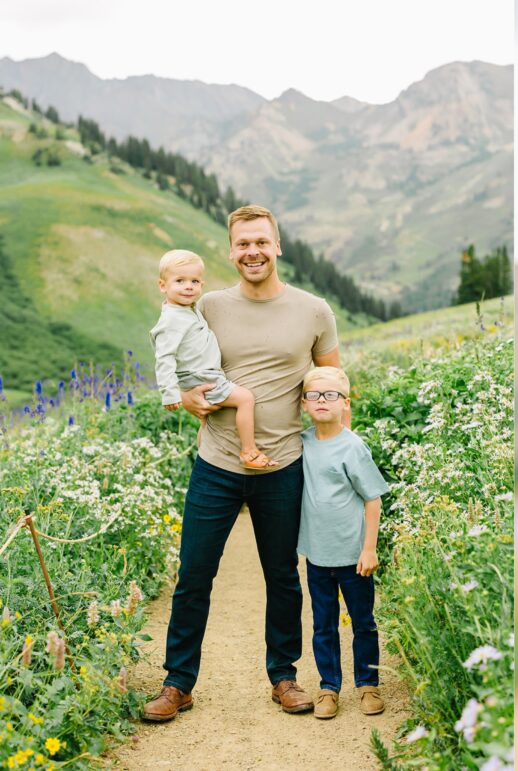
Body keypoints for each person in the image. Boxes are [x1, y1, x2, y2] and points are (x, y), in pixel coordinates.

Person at [143, 204, 341, 722]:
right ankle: (178, 683)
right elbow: (181, 363)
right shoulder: (205, 304)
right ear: (231, 251)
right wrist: (186, 398)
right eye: (242, 244)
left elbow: (333, 382)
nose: (252, 252)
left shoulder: (313, 310)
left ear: (277, 246)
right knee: (194, 574)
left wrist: (332, 446)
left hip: (284, 466)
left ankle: (285, 677)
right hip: (216, 463)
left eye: (261, 242)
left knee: (282, 575)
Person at [297, 366, 390, 720]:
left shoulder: (353, 447)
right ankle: (328, 687)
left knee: (363, 620)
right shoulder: (301, 443)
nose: (322, 401)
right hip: (318, 555)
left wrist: (369, 548)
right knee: (323, 624)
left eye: (330, 395)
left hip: (353, 555)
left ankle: (367, 684)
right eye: (314, 395)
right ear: (304, 403)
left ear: (345, 403)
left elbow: (372, 499)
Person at [150, 249, 276, 469]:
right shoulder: (172, 320)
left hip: (200, 375)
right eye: (180, 281)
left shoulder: (184, 310)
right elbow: (164, 357)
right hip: (202, 377)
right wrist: (170, 393)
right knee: (245, 399)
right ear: (163, 286)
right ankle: (248, 451)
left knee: (206, 423)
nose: (189, 286)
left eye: (195, 281)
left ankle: (205, 457)